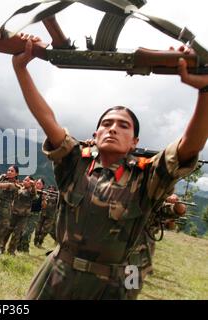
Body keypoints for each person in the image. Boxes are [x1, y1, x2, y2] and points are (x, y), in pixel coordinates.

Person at [12, 37, 206, 299]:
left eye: (123, 125)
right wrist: (21, 69)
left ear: (134, 141)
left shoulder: (146, 176)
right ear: (96, 132)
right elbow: (47, 119)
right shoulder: (75, 162)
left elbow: (188, 147)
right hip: (59, 272)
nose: (113, 128)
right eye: (107, 123)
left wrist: (205, 91)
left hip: (113, 284)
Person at [126, 193, 187, 300]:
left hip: (137, 251)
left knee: (129, 288)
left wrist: (175, 200)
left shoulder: (156, 198)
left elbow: (178, 210)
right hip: (113, 246)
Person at [3, 176, 37, 255]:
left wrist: (33, 185)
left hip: (23, 217)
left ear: (31, 182)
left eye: (28, 180)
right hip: (13, 214)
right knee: (7, 231)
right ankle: (1, 247)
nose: (25, 181)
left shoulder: (31, 191)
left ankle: (11, 251)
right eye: (25, 179)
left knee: (17, 234)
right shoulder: (20, 188)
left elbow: (34, 194)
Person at [18, 178, 45, 253]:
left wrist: (44, 199)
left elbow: (44, 206)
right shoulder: (31, 191)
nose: (38, 185)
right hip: (27, 212)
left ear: (43, 186)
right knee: (21, 231)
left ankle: (25, 248)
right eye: (37, 183)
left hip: (35, 215)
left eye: (40, 184)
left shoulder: (43, 194)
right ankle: (19, 247)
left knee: (27, 232)